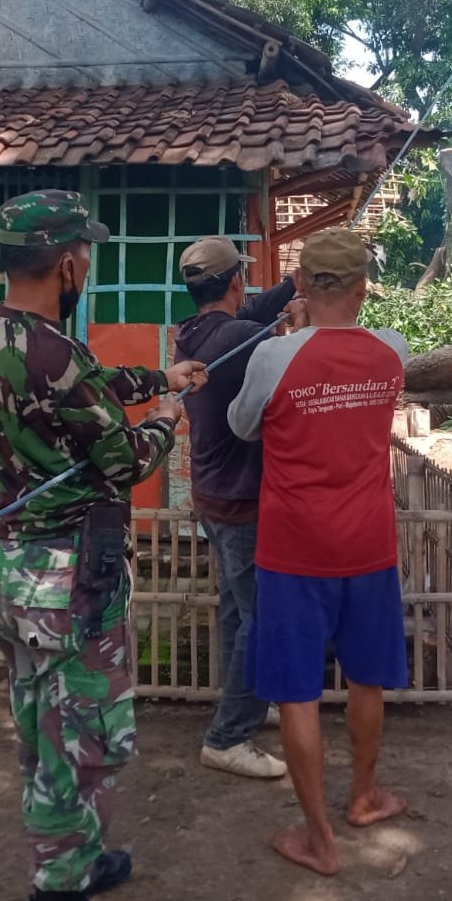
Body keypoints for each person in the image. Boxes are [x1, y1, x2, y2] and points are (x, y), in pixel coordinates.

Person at [0, 190, 207, 901]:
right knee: (82, 736)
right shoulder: (55, 354)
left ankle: (76, 851)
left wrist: (162, 377)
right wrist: (167, 419)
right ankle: (59, 899)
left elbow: (88, 392)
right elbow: (123, 460)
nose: (88, 268)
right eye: (87, 257)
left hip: (18, 568)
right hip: (73, 574)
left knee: (44, 723)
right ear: (67, 264)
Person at [227, 227, 410, 878]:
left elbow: (241, 426)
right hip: (368, 542)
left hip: (293, 545)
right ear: (364, 291)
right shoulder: (394, 350)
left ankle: (319, 840)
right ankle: (362, 799)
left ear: (299, 285)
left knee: (298, 695)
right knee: (368, 678)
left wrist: (289, 342)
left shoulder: (274, 359)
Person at [173, 237, 298, 780]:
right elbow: (277, 344)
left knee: (234, 607)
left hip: (211, 489)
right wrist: (298, 316)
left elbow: (253, 312)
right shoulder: (246, 339)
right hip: (242, 495)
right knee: (259, 615)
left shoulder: (195, 331)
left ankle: (242, 702)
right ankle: (228, 736)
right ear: (232, 282)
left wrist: (294, 282)